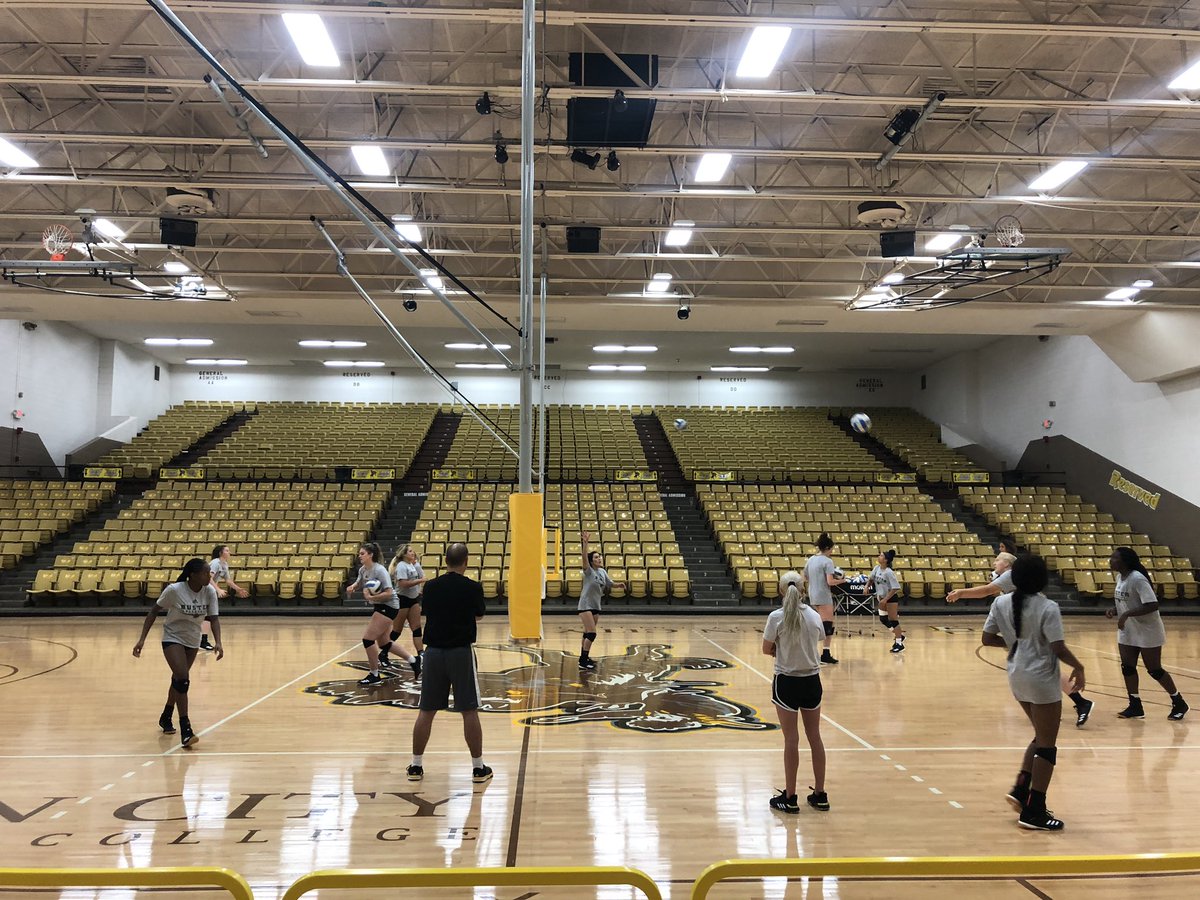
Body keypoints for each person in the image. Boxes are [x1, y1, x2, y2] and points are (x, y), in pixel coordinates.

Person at [981, 554, 1086, 831]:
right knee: (1047, 746)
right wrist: (1079, 666)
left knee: (1040, 735)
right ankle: (1034, 810)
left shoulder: (1000, 602)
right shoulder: (1047, 606)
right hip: (1041, 679)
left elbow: (987, 638)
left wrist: (1016, 645)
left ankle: (1020, 789)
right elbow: (1058, 647)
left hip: (1017, 676)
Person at [950, 551, 1094, 727]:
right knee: (1041, 665)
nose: (994, 563)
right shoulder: (1008, 586)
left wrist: (960, 593)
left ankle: (1075, 702)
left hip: (1030, 615)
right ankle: (1071, 703)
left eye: (998, 560)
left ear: (1008, 564)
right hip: (1022, 617)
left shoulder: (1010, 575)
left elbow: (986, 591)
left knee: (1041, 665)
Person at [407, 542, 492, 785]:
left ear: (446, 561)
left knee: (426, 711)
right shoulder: (473, 587)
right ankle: (478, 769)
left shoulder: (431, 587)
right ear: (466, 561)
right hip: (460, 653)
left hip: (433, 653)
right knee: (469, 710)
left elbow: (427, 612)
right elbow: (479, 614)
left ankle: (416, 765)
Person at [132, 558, 222, 749]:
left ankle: (166, 715)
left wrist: (219, 642)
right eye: (206, 572)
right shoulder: (174, 590)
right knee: (182, 678)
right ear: (193, 575)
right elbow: (153, 611)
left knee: (178, 679)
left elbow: (213, 619)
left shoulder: (210, 591)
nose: (210, 575)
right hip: (172, 637)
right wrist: (142, 640)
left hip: (193, 639)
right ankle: (186, 729)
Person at [764, 571, 829, 813]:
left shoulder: (776, 617)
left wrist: (780, 650)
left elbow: (765, 648)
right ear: (804, 590)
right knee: (815, 737)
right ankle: (820, 794)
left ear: (781, 591)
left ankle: (790, 797)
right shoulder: (813, 616)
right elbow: (818, 639)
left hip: (786, 682)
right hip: (811, 680)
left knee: (791, 739)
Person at [1107, 547, 1188, 721]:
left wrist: (1126, 614)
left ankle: (1178, 701)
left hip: (1147, 630)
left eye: (1114, 557)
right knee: (1127, 667)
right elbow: (1127, 600)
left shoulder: (1137, 578)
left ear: (1125, 561)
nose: (1111, 560)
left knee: (1154, 669)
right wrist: (1115, 609)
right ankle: (1135, 705)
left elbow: (1152, 604)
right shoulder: (1120, 577)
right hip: (1129, 629)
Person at [345, 542, 407, 686]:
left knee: (368, 640)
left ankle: (374, 674)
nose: (359, 556)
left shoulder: (380, 571)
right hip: (380, 606)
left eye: (362, 553)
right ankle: (413, 660)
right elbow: (360, 582)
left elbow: (389, 592)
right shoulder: (362, 570)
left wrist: (371, 597)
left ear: (370, 555)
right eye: (359, 553)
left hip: (389, 605)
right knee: (384, 643)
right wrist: (353, 586)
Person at [577, 531, 625, 670]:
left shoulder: (602, 572)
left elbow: (610, 583)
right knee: (592, 633)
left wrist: (618, 585)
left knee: (587, 632)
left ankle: (584, 657)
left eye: (600, 557)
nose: (599, 559)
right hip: (585, 605)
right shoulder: (588, 571)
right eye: (596, 557)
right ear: (592, 561)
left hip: (596, 606)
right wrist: (585, 543)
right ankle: (583, 660)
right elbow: (584, 558)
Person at [382, 543, 426, 677]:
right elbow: (402, 584)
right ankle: (383, 653)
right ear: (404, 554)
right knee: (397, 630)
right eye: (410, 551)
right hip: (402, 599)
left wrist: (420, 586)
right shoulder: (401, 566)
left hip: (413, 600)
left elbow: (421, 578)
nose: (413, 553)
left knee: (417, 628)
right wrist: (419, 581)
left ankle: (421, 654)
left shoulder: (413, 564)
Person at [803, 532, 845, 665]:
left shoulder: (811, 559)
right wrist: (842, 580)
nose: (832, 551)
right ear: (827, 548)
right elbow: (830, 582)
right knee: (827, 625)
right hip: (823, 595)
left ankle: (816, 653)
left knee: (820, 623)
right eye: (832, 549)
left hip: (813, 593)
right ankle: (823, 654)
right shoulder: (828, 561)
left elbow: (805, 576)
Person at [200, 544, 247, 651]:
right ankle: (199, 640)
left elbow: (228, 580)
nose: (229, 552)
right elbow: (208, 578)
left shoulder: (224, 564)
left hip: (209, 591)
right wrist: (218, 589)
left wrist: (238, 589)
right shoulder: (216, 562)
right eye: (227, 550)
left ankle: (202, 640)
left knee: (208, 616)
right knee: (206, 616)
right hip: (202, 590)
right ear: (221, 553)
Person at [869, 549, 904, 653]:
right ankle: (900, 636)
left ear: (886, 560)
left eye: (881, 556)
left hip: (890, 598)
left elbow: (895, 588)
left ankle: (899, 643)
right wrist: (867, 586)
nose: (878, 557)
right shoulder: (876, 568)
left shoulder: (889, 572)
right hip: (881, 599)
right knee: (883, 619)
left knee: (893, 620)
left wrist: (885, 599)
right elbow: (871, 579)